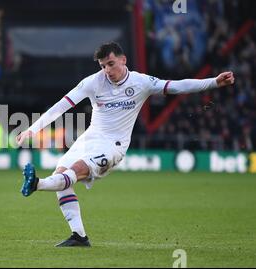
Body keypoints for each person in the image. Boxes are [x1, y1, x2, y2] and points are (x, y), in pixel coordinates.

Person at [16, 42, 234, 247]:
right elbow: (61, 105)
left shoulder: (141, 82)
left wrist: (214, 82)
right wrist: (32, 129)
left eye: (110, 64)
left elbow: (177, 86)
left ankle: (37, 184)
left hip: (113, 145)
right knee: (61, 174)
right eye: (103, 66)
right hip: (90, 139)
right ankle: (79, 236)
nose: (107, 70)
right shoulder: (93, 82)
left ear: (123, 60)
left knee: (75, 171)